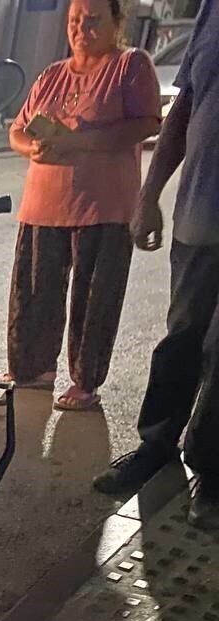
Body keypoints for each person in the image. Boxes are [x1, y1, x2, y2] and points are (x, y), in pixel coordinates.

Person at [93, 0, 219, 529]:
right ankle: (156, 446)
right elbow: (186, 104)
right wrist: (149, 194)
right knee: (182, 336)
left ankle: (210, 469)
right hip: (200, 218)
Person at [3, 0, 160, 412]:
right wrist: (32, 147)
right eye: (75, 20)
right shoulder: (52, 75)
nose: (81, 29)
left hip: (102, 206)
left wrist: (82, 142)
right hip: (43, 204)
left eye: (93, 21)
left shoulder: (130, 66)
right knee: (34, 290)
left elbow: (145, 124)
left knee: (94, 299)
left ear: (116, 22)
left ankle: (85, 381)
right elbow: (17, 129)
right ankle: (33, 367)